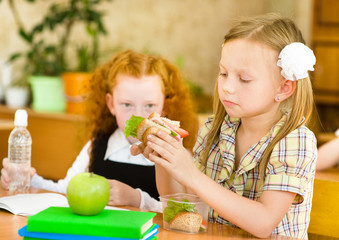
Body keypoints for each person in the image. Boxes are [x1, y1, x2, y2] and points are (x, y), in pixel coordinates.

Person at [132, 14, 317, 238]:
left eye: (244, 79)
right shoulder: (213, 130)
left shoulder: (295, 140)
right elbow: (184, 213)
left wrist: (191, 174)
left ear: (283, 88)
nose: (227, 86)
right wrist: (165, 158)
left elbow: (263, 223)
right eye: (223, 73)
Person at [1, 50, 199, 212]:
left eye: (149, 106)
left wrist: (137, 199)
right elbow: (65, 190)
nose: (138, 117)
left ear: (163, 108)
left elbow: (184, 214)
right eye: (127, 105)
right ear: (111, 104)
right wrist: (29, 179)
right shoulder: (96, 146)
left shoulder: (176, 153)